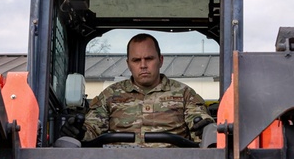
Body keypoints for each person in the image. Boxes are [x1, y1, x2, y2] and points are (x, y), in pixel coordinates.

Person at [82, 33, 215, 145]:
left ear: (160, 60)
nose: (143, 65)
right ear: (128, 64)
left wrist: (205, 129)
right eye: (136, 60)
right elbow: (90, 131)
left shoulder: (185, 94)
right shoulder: (109, 95)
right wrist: (77, 132)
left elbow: (203, 130)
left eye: (149, 59)